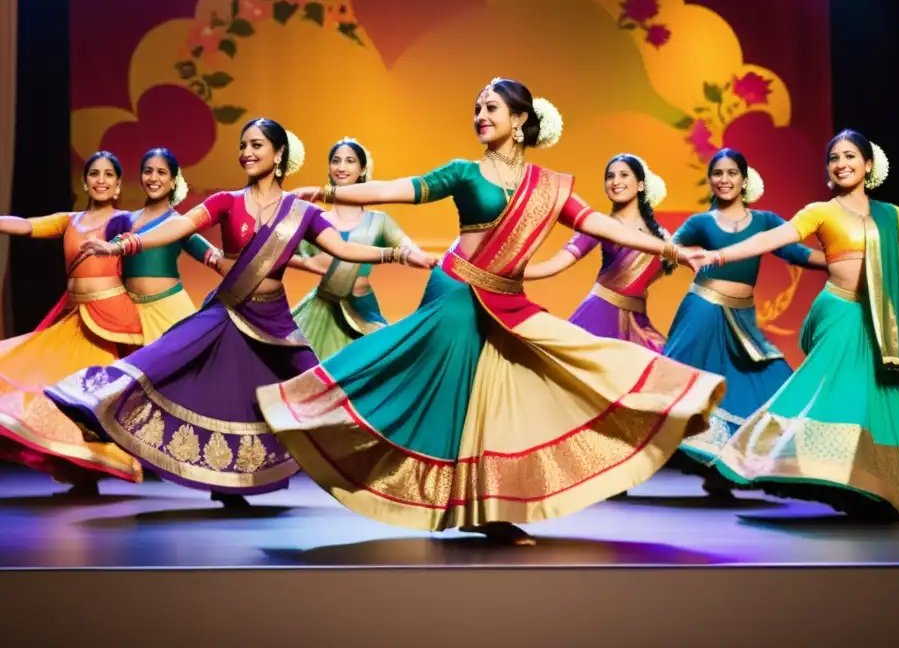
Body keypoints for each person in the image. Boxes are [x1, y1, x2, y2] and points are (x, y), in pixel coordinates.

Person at [257, 78, 726, 545]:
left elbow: (599, 224)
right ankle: (305, 413)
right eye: (477, 107)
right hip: (458, 293)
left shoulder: (548, 186)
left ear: (520, 120)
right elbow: (395, 189)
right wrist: (325, 194)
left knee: (516, 394)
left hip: (508, 302)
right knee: (441, 394)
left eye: (492, 108)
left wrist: (671, 250)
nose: (481, 115)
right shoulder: (464, 172)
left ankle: (490, 510)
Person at [45, 119, 434, 509]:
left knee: (321, 390)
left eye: (257, 145)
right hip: (229, 308)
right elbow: (179, 226)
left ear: (278, 154)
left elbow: (343, 249)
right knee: (166, 361)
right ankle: (96, 401)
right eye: (243, 145)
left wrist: (399, 253)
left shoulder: (300, 212)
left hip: (275, 319)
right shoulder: (226, 201)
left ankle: (383, 469)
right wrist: (124, 245)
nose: (246, 152)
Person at [688, 130, 899, 517]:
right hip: (841, 313)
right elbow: (772, 238)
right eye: (834, 158)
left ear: (868, 165)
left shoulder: (891, 215)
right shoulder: (820, 211)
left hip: (886, 321)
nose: (841, 163)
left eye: (849, 156)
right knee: (837, 395)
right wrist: (719, 256)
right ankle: (786, 465)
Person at [665, 148, 826, 497]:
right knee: (690, 389)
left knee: (772, 380)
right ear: (710, 180)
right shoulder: (701, 223)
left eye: (731, 173)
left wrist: (841, 261)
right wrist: (674, 255)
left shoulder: (766, 221)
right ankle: (706, 468)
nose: (724, 179)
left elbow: (796, 252)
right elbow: (669, 249)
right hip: (702, 312)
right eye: (718, 173)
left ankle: (728, 467)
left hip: (742, 316)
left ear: (744, 179)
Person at [0, 151, 143, 493]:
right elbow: (27, 225)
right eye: (95, 173)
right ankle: (80, 475)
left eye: (109, 174)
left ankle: (91, 471)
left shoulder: (127, 221)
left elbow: (162, 232)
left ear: (119, 184)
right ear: (85, 181)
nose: (102, 180)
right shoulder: (70, 221)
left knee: (91, 401)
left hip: (109, 323)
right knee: (55, 392)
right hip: (75, 320)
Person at [524, 153, 674, 352]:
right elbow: (556, 264)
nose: (615, 181)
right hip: (599, 316)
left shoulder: (663, 236)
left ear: (640, 185)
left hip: (638, 322)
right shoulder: (598, 226)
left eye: (623, 175)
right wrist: (509, 273)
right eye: (610, 176)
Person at [288, 139, 423, 358]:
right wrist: (307, 263)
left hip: (362, 310)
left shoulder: (379, 222)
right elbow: (282, 254)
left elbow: (409, 249)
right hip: (320, 311)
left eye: (350, 161)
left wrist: (431, 259)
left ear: (362, 169)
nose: (341, 167)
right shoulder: (315, 219)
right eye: (336, 161)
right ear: (329, 169)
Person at [110, 148, 224, 344]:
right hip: (131, 314)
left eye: (161, 172)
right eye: (148, 171)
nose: (153, 178)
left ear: (173, 181)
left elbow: (213, 257)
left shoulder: (177, 224)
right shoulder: (124, 220)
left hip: (170, 312)